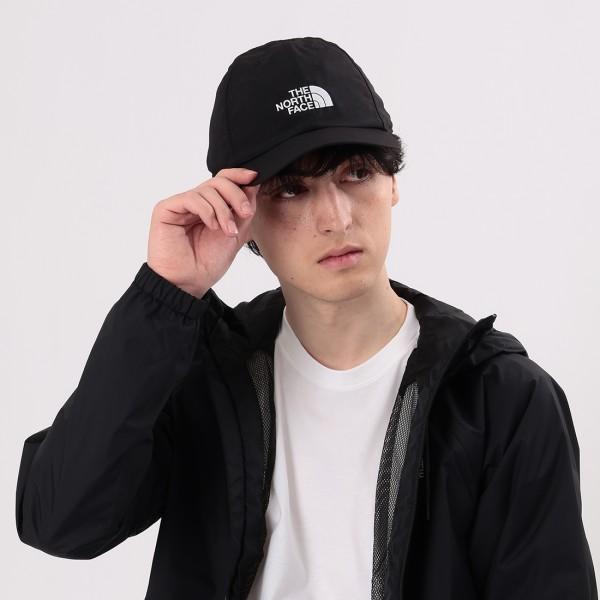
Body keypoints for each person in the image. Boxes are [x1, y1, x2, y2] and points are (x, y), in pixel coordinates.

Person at [15, 36, 597, 600]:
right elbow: (60, 522)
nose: (336, 218)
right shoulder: (201, 376)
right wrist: (167, 294)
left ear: (393, 182)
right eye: (291, 189)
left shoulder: (499, 398)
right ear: (239, 216)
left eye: (357, 173)